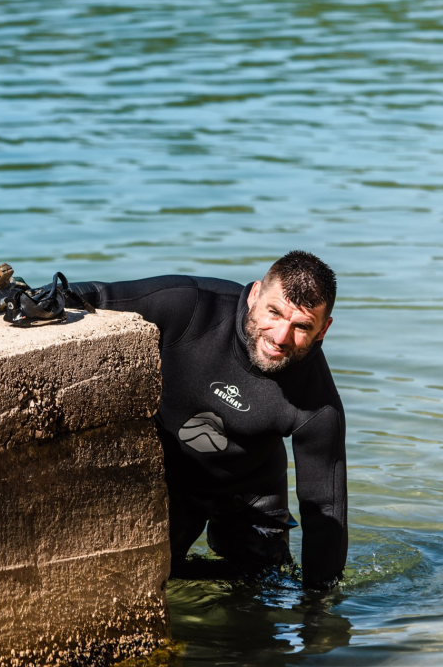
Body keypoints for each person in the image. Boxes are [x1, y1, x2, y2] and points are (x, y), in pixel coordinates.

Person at [71, 250, 347, 588]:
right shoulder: (192, 307)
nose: (280, 337)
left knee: (262, 596)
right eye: (273, 313)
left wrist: (318, 617)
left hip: (251, 498)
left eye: (302, 326)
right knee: (143, 579)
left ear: (323, 329)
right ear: (255, 295)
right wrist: (15, 299)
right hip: (168, 479)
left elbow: (326, 512)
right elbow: (94, 296)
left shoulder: (318, 404)